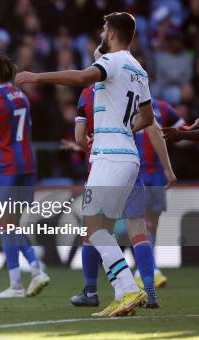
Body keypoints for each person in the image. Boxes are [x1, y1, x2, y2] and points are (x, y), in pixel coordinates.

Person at [16, 12, 152, 317]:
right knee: (102, 227)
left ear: (114, 33)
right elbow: (148, 117)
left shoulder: (114, 61)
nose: (102, 33)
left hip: (110, 156)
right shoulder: (139, 69)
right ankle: (122, 295)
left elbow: (80, 78)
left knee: (93, 228)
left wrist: (37, 77)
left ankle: (129, 288)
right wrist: (124, 126)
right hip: (128, 155)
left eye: (104, 28)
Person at [69, 68, 177, 309]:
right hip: (131, 166)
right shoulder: (131, 89)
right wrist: (168, 168)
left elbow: (79, 137)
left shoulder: (88, 93)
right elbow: (153, 129)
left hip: (102, 167)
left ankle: (92, 290)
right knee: (139, 231)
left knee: (93, 231)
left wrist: (87, 145)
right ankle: (149, 291)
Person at [0, 53, 50, 299]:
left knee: (6, 223)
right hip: (27, 164)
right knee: (11, 224)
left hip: (5, 167)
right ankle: (21, 279)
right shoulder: (21, 96)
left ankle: (32, 273)